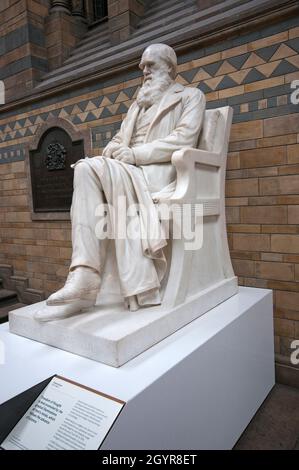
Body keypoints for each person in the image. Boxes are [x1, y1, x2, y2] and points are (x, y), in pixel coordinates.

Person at [35, 43, 206, 321]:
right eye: (142, 65)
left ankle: (87, 277)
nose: (144, 69)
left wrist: (134, 154)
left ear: (170, 67)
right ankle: (84, 275)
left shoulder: (190, 96)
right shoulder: (138, 104)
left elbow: (184, 139)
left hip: (156, 174)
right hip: (129, 170)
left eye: (150, 64)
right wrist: (112, 150)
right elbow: (118, 139)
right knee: (86, 167)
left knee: (87, 169)